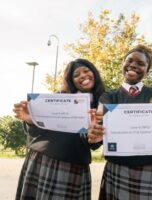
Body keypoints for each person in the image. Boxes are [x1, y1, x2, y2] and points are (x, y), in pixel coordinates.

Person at [88, 44, 152, 200]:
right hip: (117, 169)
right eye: (129, 60)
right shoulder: (108, 97)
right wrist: (94, 134)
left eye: (141, 63)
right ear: (123, 64)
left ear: (147, 70)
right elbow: (97, 132)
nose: (133, 65)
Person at [13, 58, 105, 200]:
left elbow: (94, 144)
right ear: (71, 81)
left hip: (74, 166)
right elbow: (34, 132)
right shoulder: (57, 98)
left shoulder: (102, 104)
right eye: (76, 75)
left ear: (94, 74)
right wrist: (30, 121)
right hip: (41, 160)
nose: (82, 75)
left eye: (86, 71)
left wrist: (93, 136)